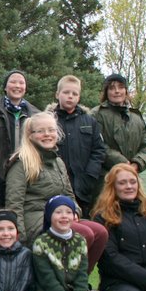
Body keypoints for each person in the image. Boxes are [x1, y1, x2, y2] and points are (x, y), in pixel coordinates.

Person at [4, 112, 108, 270]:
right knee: (83, 233)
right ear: (30, 135)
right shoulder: (22, 163)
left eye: (51, 130)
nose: (47, 134)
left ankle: (79, 279)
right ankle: (61, 279)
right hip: (36, 218)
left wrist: (75, 211)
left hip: (62, 215)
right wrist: (20, 237)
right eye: (41, 131)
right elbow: (14, 203)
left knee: (100, 232)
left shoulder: (58, 162)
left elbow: (69, 195)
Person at [48, 75, 106, 213]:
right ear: (57, 94)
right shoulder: (48, 120)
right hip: (54, 185)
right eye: (66, 92)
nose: (70, 96)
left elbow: (98, 150)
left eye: (74, 94)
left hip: (83, 187)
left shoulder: (89, 121)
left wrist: (90, 176)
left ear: (79, 97)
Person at [91, 73, 146, 177]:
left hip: (131, 177)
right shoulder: (96, 114)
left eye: (121, 87)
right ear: (106, 92)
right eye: (112, 88)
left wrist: (136, 164)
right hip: (104, 177)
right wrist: (122, 162)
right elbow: (96, 144)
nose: (117, 91)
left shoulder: (137, 118)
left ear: (126, 91)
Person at [0, 69, 40, 171]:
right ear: (5, 87)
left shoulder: (36, 115)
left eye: (21, 83)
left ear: (25, 88)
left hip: (27, 170)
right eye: (13, 82)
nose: (17, 86)